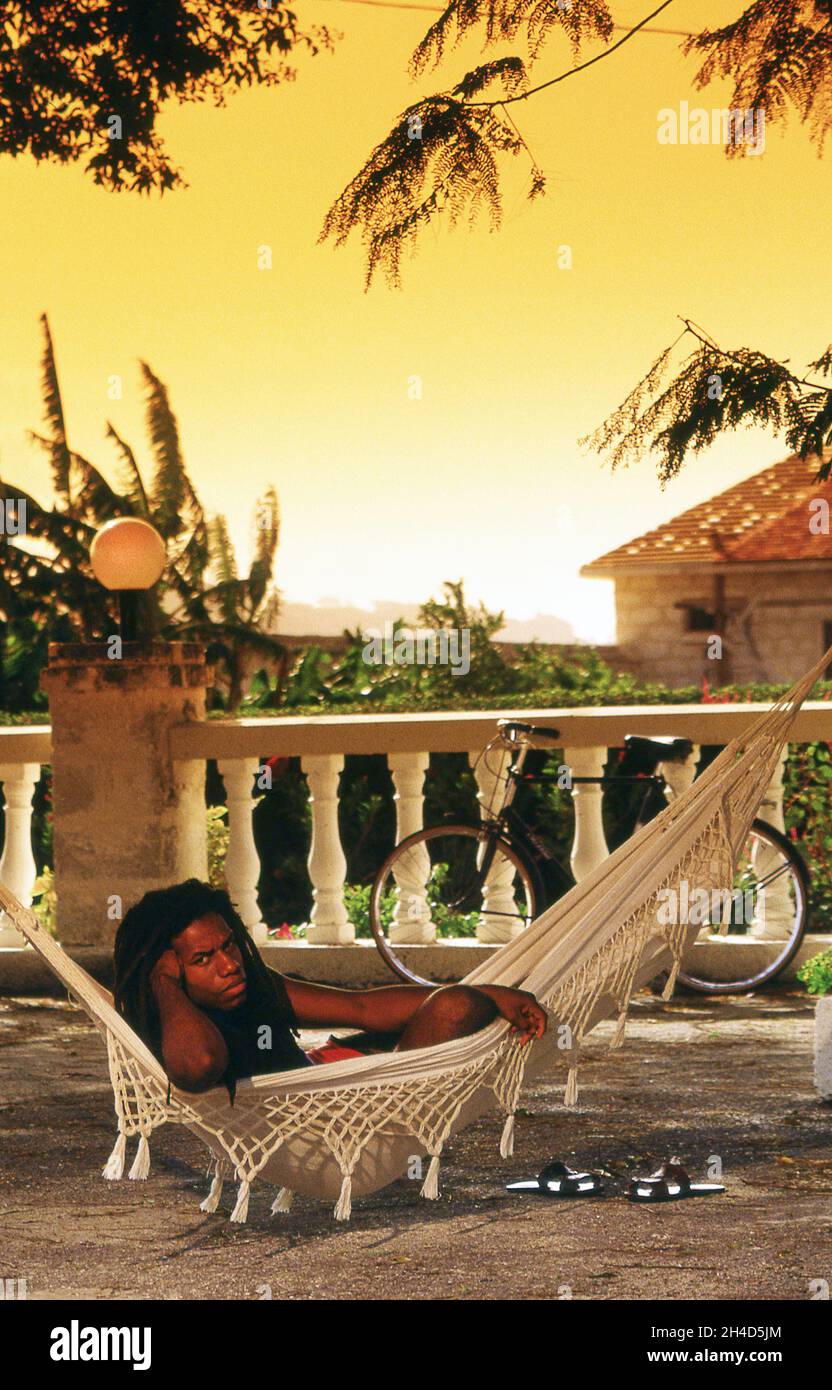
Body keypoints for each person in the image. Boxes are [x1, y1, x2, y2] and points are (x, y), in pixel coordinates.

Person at [114, 879, 547, 1097]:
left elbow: (360, 1008)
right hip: (336, 1111)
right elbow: (200, 1064)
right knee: (456, 1009)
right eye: (203, 959)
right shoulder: (171, 1021)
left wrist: (493, 995)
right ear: (168, 971)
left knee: (458, 1005)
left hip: (342, 1082)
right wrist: (162, 984)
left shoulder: (258, 991)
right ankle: (396, 1078)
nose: (230, 965)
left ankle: (397, 1068)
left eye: (230, 945)